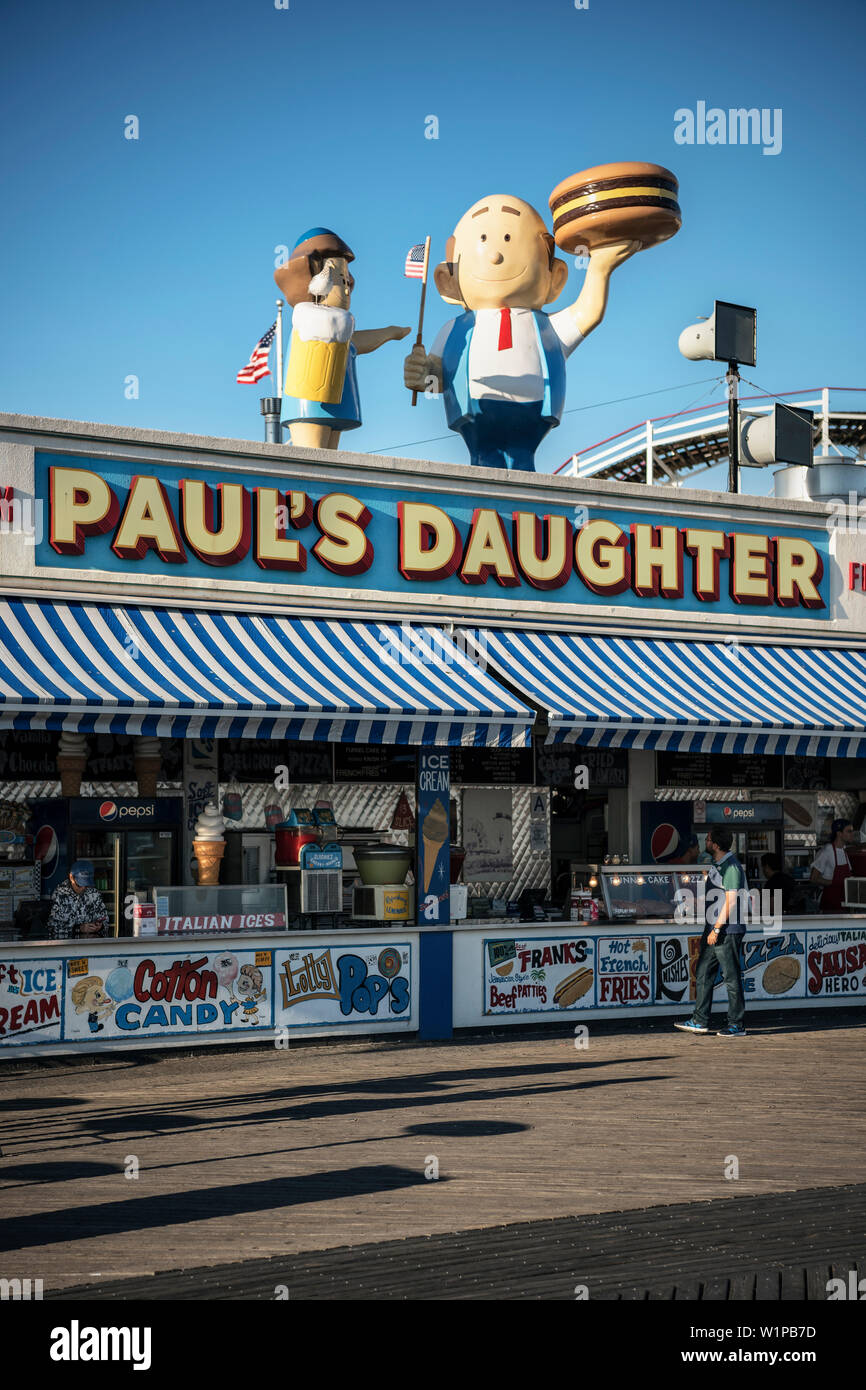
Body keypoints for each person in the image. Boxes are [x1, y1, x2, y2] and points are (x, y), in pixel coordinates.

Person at [403, 195, 638, 470]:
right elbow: (437, 376)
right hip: (475, 410)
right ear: (447, 282)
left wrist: (599, 268)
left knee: (523, 465)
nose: (495, 255)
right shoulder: (455, 329)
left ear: (556, 277)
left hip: (534, 410)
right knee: (484, 462)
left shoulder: (547, 327)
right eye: (484, 241)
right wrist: (423, 373)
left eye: (507, 239)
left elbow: (589, 313)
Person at [674, 826, 748, 1037]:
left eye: (707, 839)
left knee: (731, 977)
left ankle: (736, 1024)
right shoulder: (719, 865)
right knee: (704, 972)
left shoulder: (731, 867)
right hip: (715, 928)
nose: (705, 842)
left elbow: (731, 901)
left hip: (726, 929)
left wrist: (716, 928)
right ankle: (700, 1019)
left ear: (715, 845)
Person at [47, 860, 109, 940]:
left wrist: (100, 926)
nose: (83, 888)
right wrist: (79, 929)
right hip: (66, 947)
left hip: (91, 945)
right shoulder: (59, 894)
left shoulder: (94, 893)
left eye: (86, 885)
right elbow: (52, 927)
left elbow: (105, 919)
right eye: (80, 884)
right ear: (71, 877)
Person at [810, 818, 856, 913]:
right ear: (839, 833)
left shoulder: (844, 850)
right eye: (849, 831)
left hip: (845, 901)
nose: (852, 834)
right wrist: (834, 883)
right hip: (830, 902)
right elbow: (813, 878)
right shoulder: (827, 850)